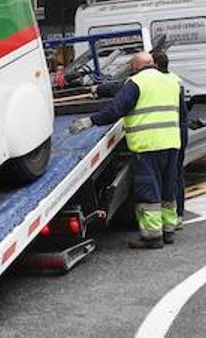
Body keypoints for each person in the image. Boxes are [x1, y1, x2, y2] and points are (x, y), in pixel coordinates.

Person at [69, 52, 182, 249]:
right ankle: (168, 231)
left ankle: (152, 236)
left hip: (147, 145)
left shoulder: (136, 82)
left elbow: (116, 110)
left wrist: (90, 121)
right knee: (167, 188)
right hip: (172, 142)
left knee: (149, 191)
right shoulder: (172, 81)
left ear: (136, 67)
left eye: (132, 66)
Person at [154, 48, 189, 231]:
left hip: (169, 134)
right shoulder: (174, 79)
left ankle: (172, 216)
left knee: (170, 177)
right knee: (176, 175)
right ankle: (178, 215)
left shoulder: (159, 81)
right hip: (178, 132)